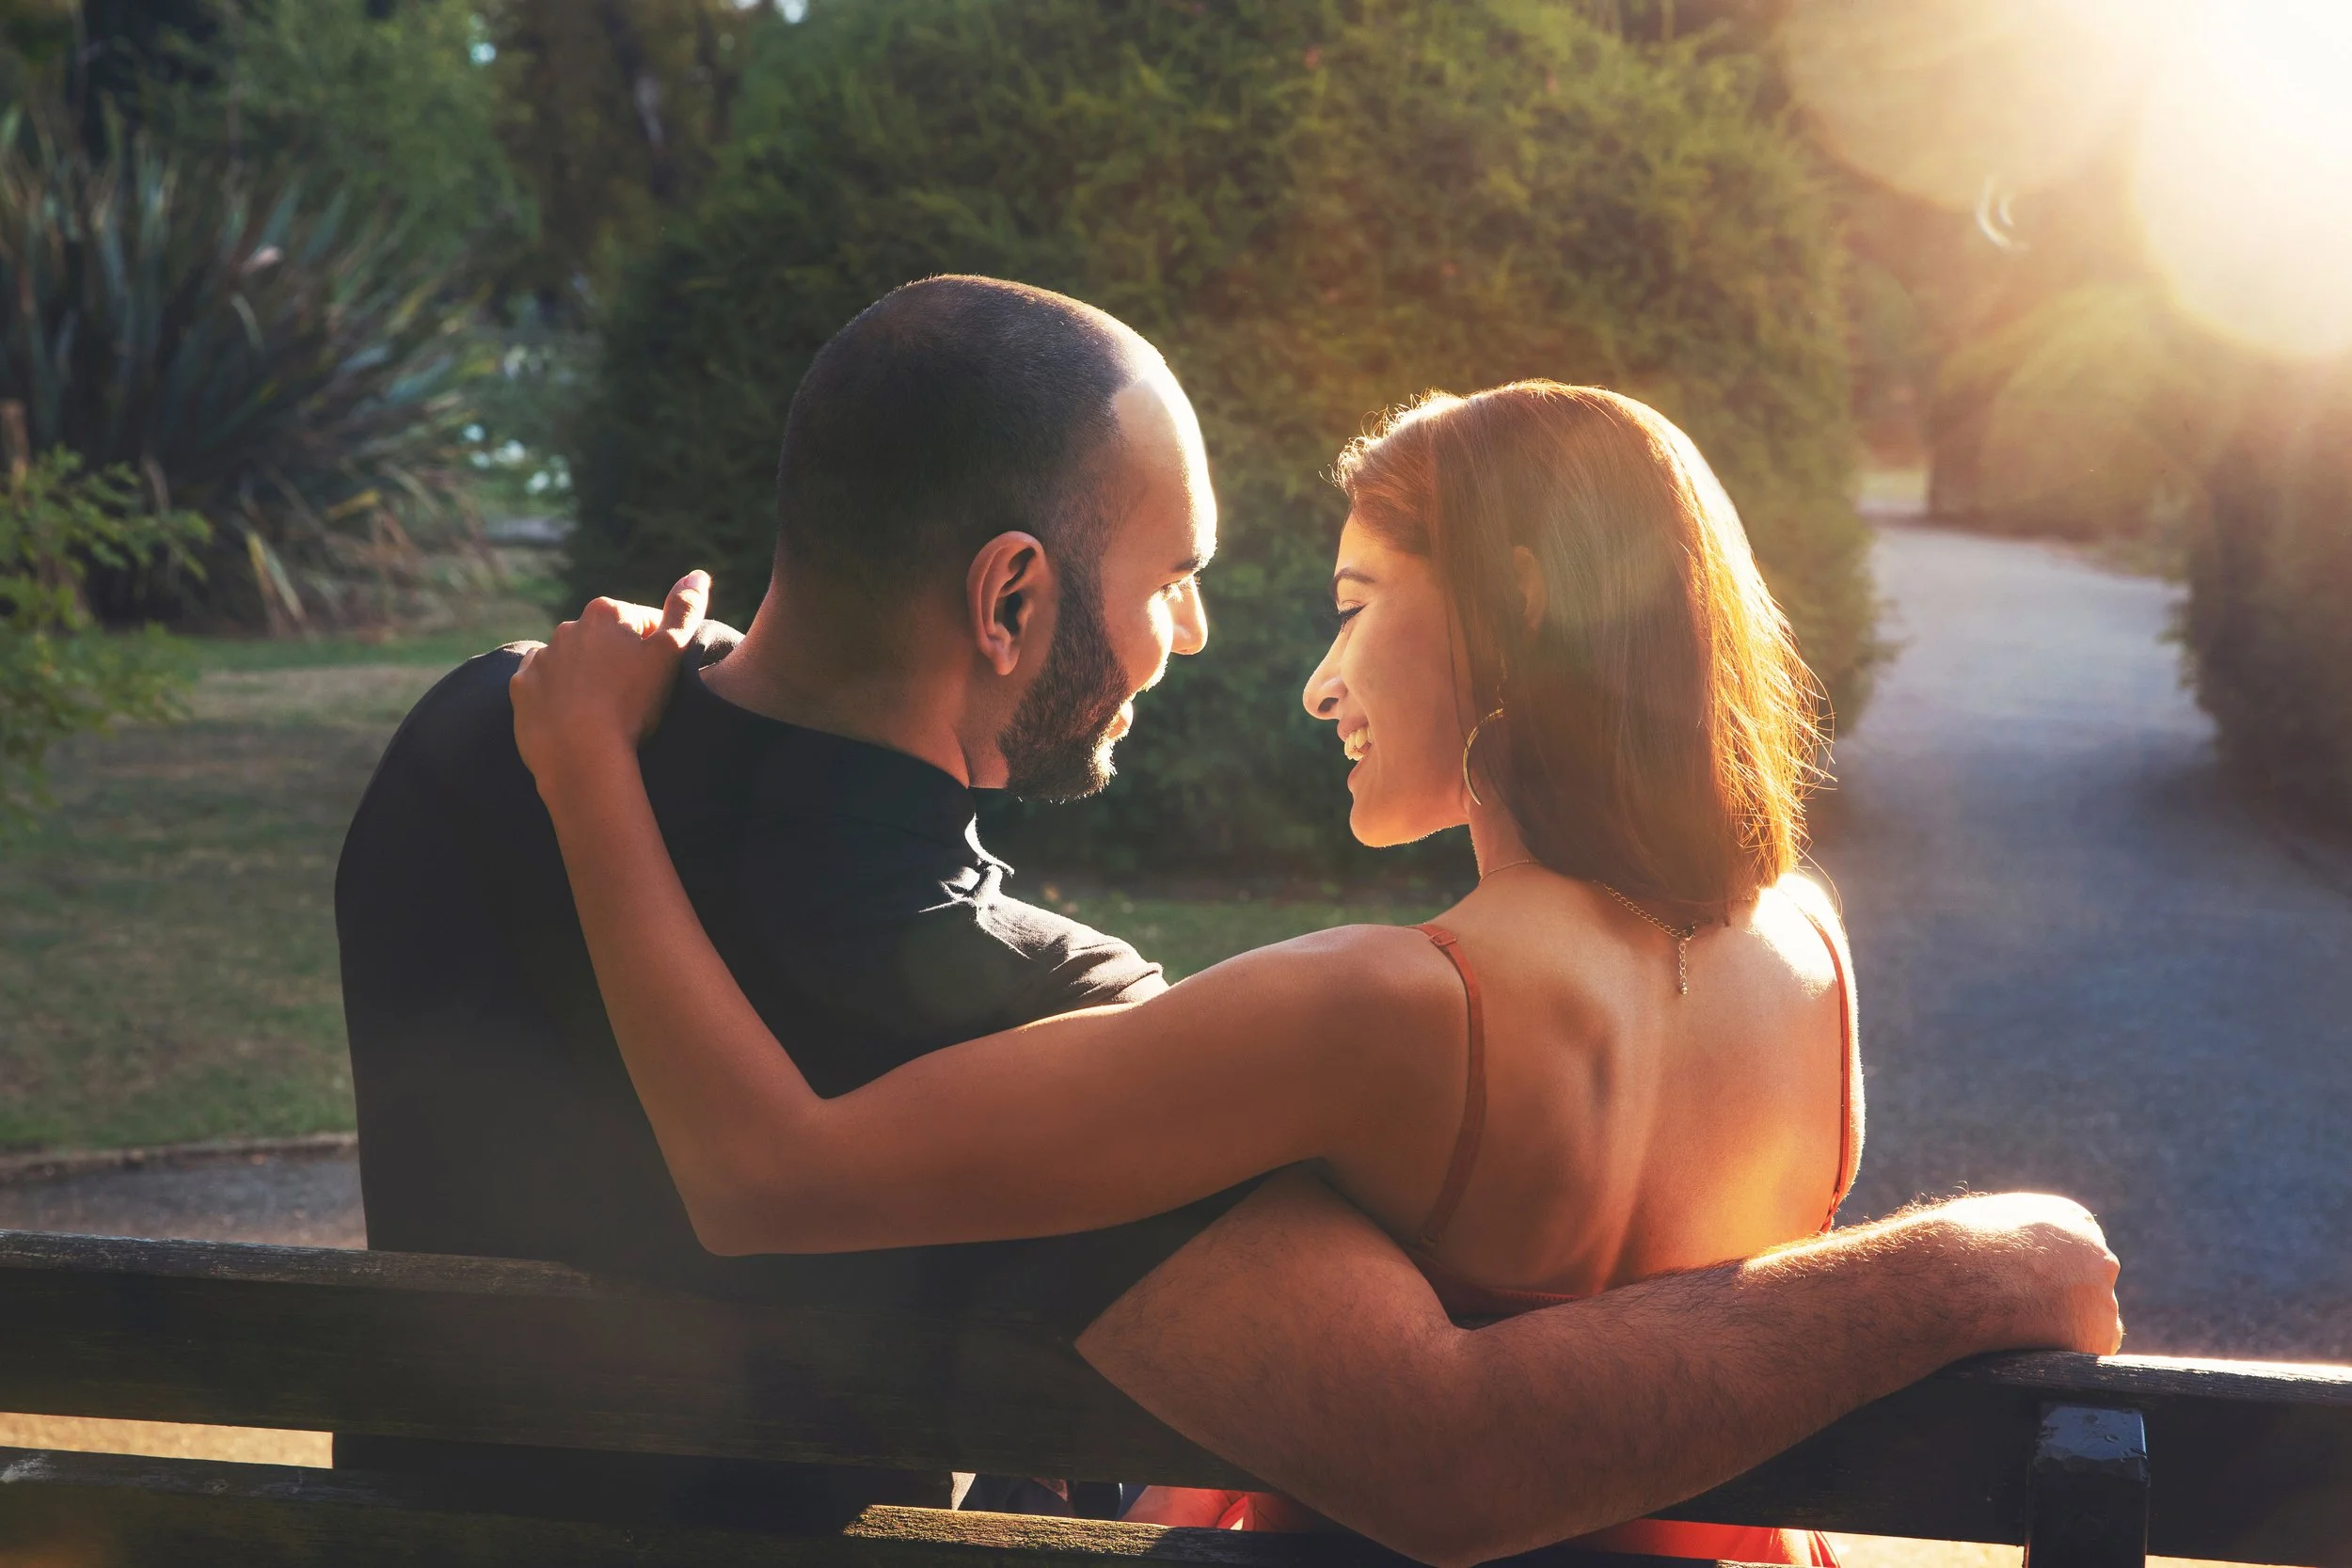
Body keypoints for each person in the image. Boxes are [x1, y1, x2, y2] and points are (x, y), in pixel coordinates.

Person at [341, 276, 2122, 1568]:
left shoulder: (481, 734)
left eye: (1347, 603)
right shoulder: (1038, 1002)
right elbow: (1453, 1440)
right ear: (1011, 601)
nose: (1211, 639)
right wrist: (1979, 1258)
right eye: (1174, 579)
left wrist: (593, 763)